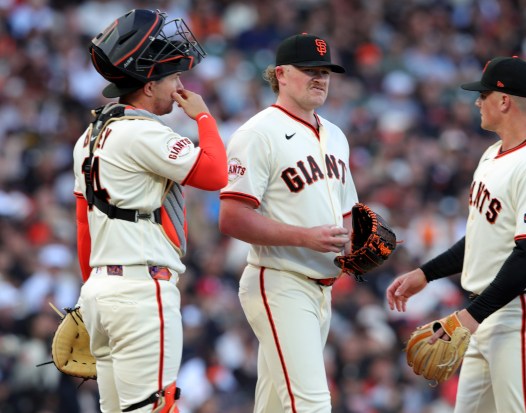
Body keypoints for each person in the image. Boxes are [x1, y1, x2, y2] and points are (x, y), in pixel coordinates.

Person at [386, 56, 526, 413]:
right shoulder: (492, 155)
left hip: (523, 315)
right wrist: (426, 273)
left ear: (504, 101)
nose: (477, 102)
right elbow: (482, 236)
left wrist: (471, 317)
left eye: (483, 94)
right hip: (488, 313)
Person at [72, 9, 228, 413]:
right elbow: (215, 173)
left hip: (100, 293)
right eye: (173, 77)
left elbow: (83, 227)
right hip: (141, 291)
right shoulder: (143, 132)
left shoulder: (88, 137)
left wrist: (91, 294)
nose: (179, 87)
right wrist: (204, 117)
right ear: (147, 85)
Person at [219, 33, 358, 412]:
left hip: (321, 289)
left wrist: (357, 246)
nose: (321, 79)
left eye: (326, 71)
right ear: (280, 74)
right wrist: (305, 237)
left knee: (277, 406)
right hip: (280, 280)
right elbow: (231, 217)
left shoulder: (336, 136)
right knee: (311, 404)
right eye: (310, 70)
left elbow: (346, 214)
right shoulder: (257, 133)